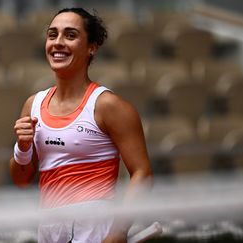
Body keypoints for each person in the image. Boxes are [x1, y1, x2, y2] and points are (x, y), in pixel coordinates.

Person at [10, 8, 153, 243]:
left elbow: (142, 173)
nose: (58, 43)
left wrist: (118, 232)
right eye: (52, 34)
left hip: (97, 232)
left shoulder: (109, 106)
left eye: (70, 35)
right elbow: (21, 180)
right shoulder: (32, 105)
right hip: (49, 231)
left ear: (92, 47)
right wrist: (22, 147)